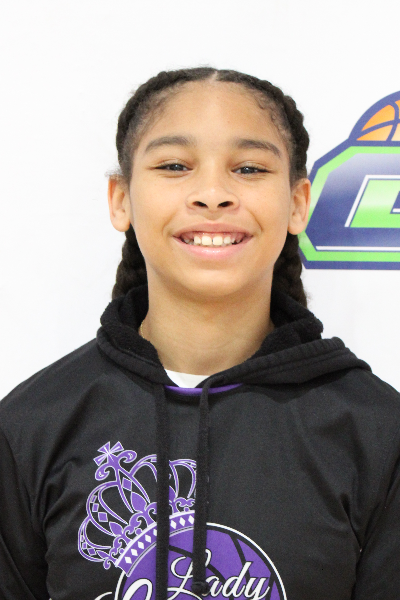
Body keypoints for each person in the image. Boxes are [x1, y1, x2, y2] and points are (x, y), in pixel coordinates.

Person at [1, 67, 399, 600]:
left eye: (250, 168)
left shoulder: (377, 434)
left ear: (298, 203)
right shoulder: (32, 426)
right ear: (121, 199)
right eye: (174, 166)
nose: (213, 194)